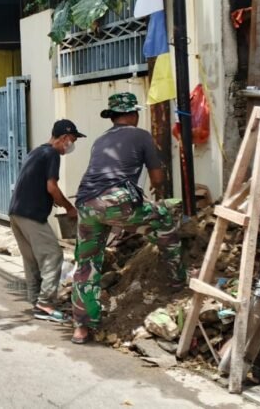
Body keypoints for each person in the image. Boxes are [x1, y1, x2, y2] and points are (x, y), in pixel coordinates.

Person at [70, 93, 182, 345]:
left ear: (112, 117)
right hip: (116, 202)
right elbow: (157, 179)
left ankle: (82, 327)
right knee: (164, 219)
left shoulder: (100, 141)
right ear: (133, 114)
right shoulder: (141, 135)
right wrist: (157, 192)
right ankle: (176, 281)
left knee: (86, 265)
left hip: (86, 203)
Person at [8, 120, 85, 324]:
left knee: (32, 259)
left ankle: (36, 301)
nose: (73, 144)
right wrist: (69, 208)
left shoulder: (36, 152)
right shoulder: (51, 154)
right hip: (31, 215)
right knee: (52, 255)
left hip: (16, 213)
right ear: (64, 138)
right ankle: (45, 304)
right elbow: (52, 186)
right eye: (73, 140)